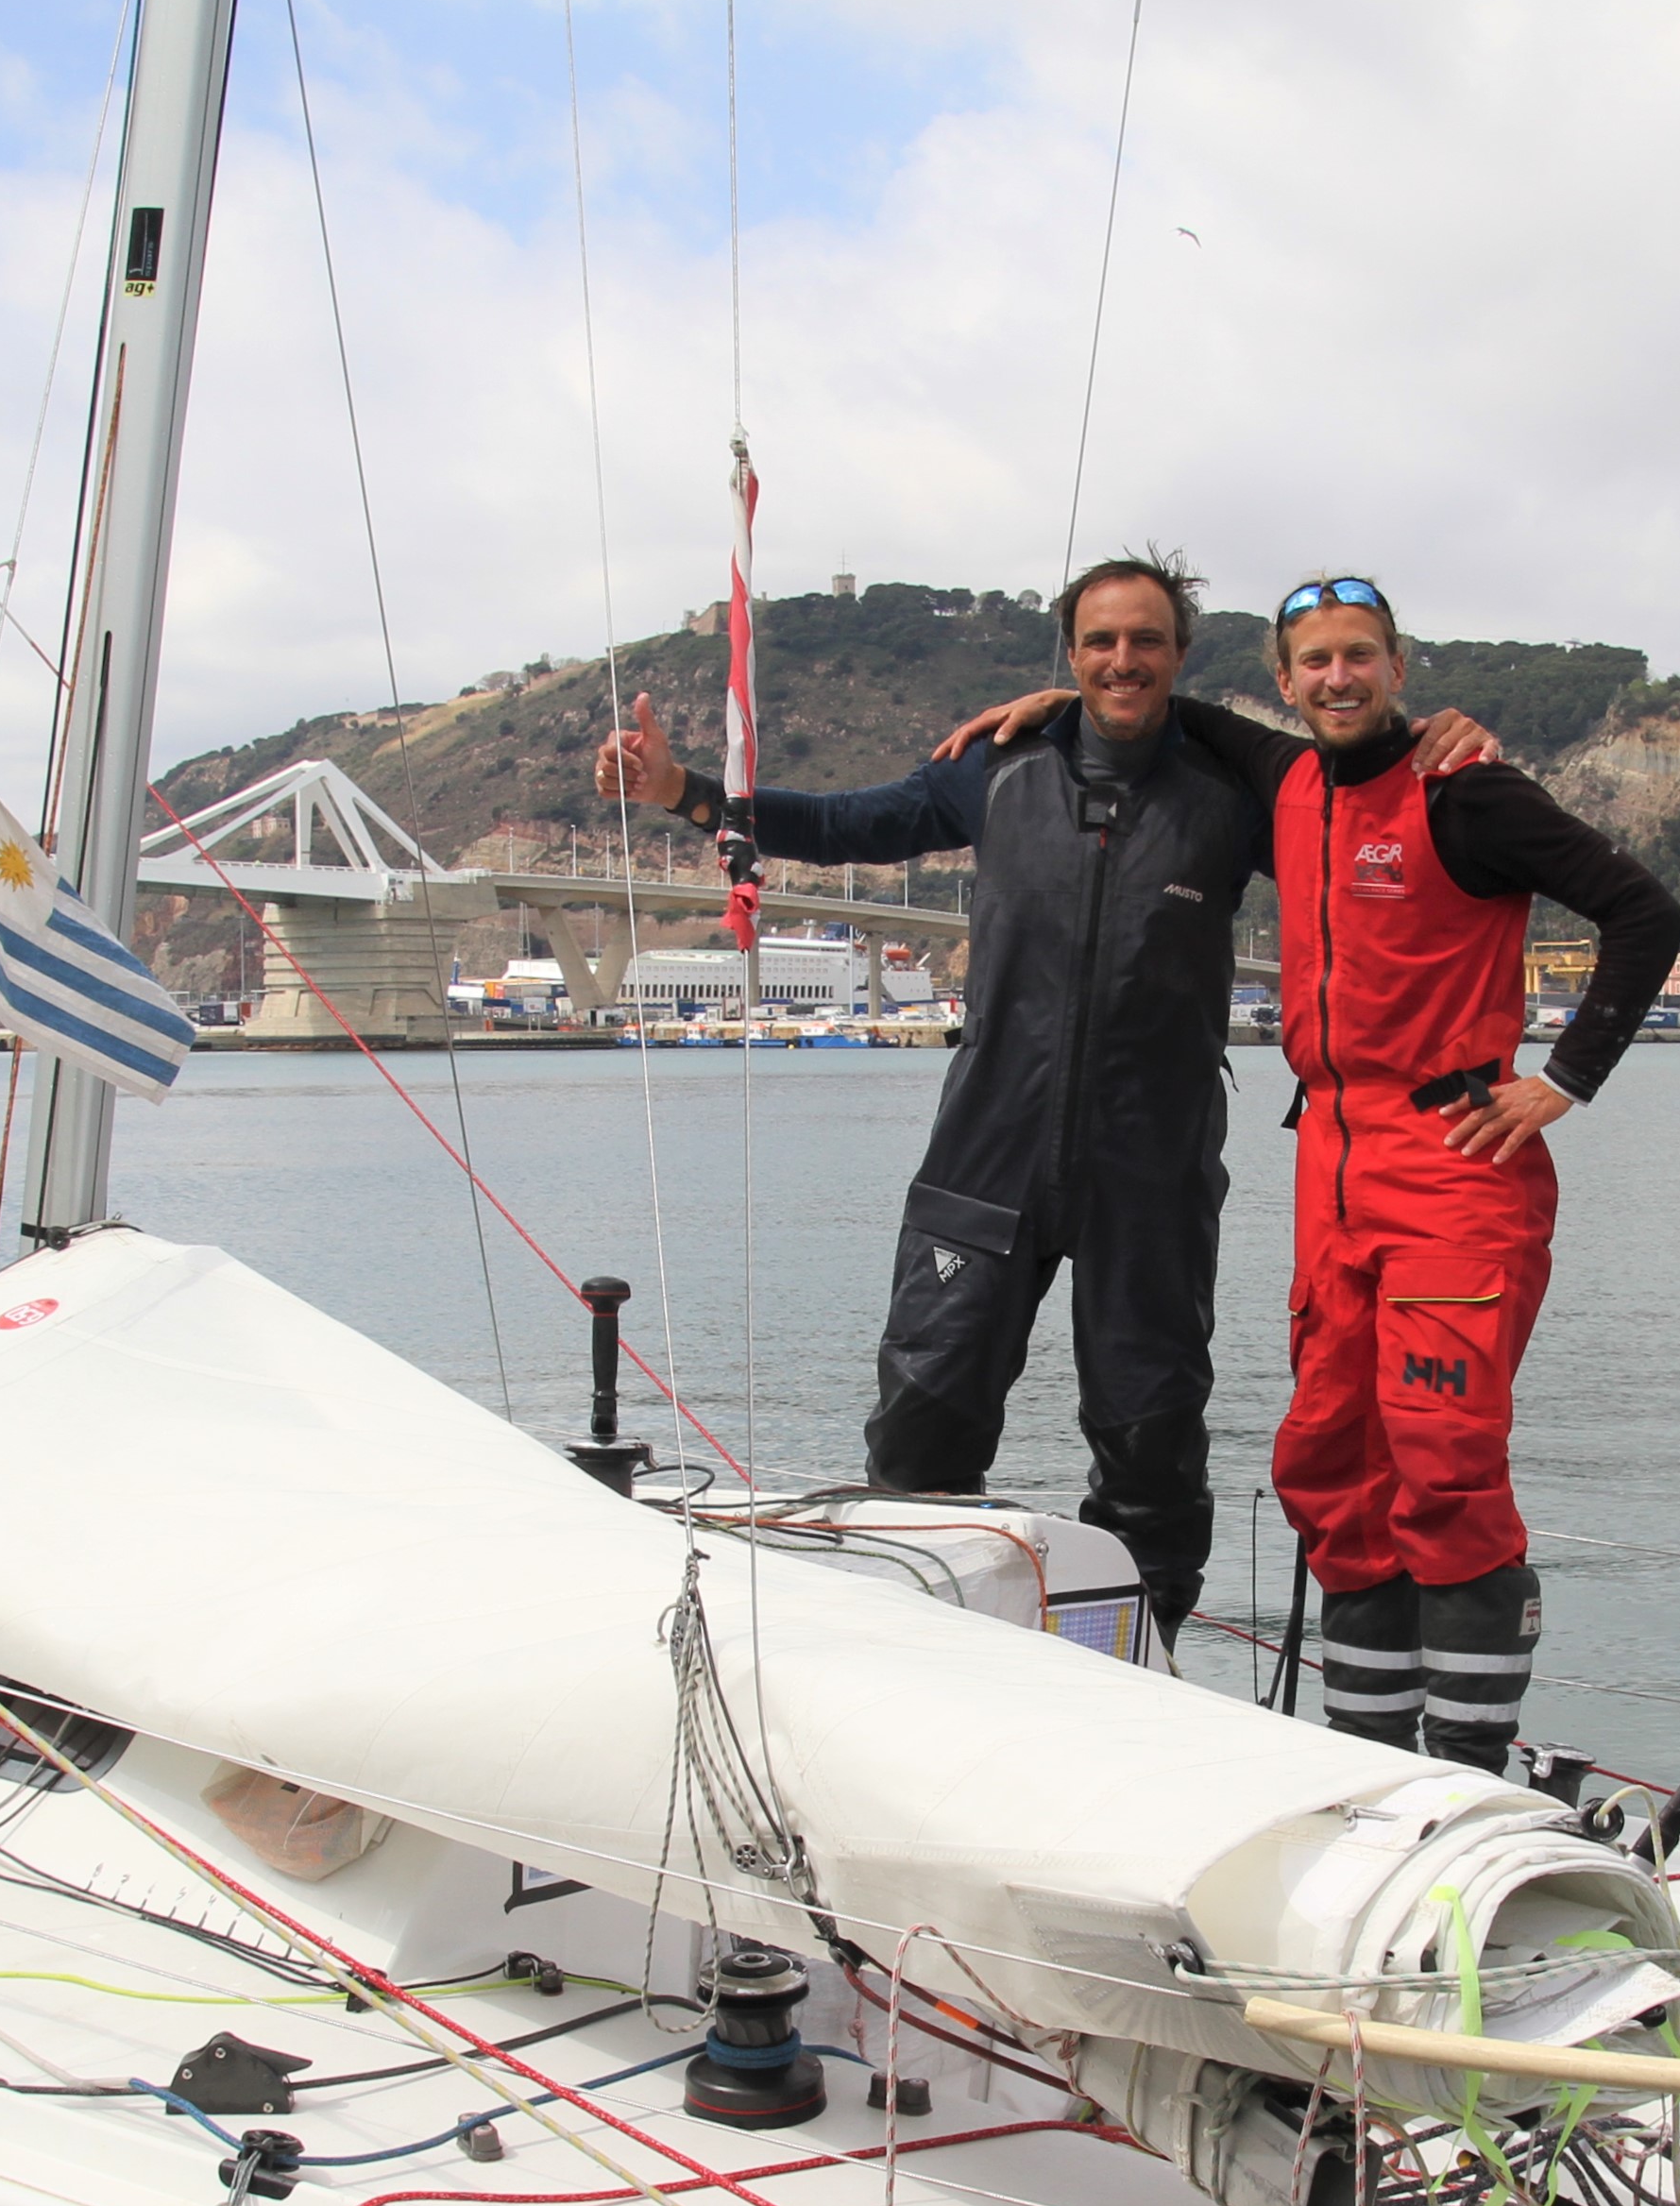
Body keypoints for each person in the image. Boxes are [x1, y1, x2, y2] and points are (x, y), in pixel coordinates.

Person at [591, 554, 1481, 1651]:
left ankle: (1135, 1684)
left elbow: (1361, 799)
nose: (1123, 660)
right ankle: (924, 1666)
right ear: (1069, 655)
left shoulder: (1236, 796)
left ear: (1179, 657)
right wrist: (685, 793)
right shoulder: (999, 770)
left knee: (1151, 1451)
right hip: (986, 1157)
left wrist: (1439, 740)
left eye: (1146, 640)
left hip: (1149, 1175)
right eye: (1100, 642)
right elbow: (848, 823)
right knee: (920, 1433)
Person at [967, 581, 1680, 1766]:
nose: (1338, 678)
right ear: (1285, 682)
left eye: (1360, 656)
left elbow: (1642, 913)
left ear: (1399, 666)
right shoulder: (1287, 779)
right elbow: (1168, 708)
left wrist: (1566, 1079)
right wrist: (1064, 704)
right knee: (1334, 1466)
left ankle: (1464, 1781)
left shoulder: (1467, 793)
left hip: (1454, 1159)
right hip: (1332, 1167)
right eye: (1314, 662)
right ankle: (1369, 1766)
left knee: (1443, 1462)